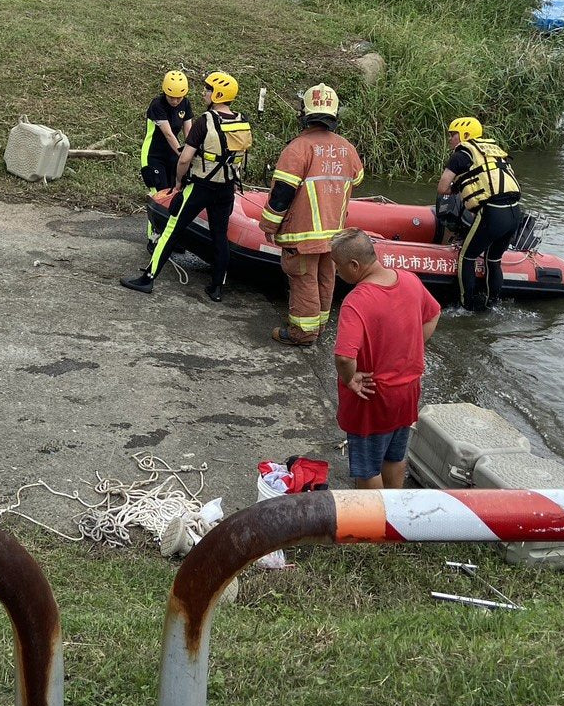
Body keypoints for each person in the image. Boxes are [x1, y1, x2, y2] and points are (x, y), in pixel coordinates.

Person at [121, 70, 251, 303]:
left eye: (208, 89)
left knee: (172, 229)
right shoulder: (242, 122)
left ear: (217, 94)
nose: (204, 92)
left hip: (200, 186)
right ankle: (216, 288)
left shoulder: (204, 121)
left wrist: (179, 182)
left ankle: (148, 278)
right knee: (220, 236)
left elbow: (184, 158)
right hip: (225, 189)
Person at [330, 228, 440, 489]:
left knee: (367, 469)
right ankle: (395, 516)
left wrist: (351, 380)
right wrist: (411, 347)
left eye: (337, 266)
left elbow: (345, 357)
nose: (336, 272)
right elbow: (433, 314)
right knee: (394, 455)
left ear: (354, 265)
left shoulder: (357, 301)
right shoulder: (410, 280)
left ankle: (375, 526)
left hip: (373, 397)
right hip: (407, 392)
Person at [259, 84, 365, 345]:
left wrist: (269, 225)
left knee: (304, 279)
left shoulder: (298, 148)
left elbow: (281, 194)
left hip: (302, 234)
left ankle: (303, 334)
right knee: (326, 277)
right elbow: (358, 179)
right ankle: (319, 325)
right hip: (334, 234)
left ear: (304, 113)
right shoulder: (346, 148)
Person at [437, 116, 523, 311]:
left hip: (492, 214)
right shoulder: (494, 152)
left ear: (465, 135)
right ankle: (493, 305)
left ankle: (465, 306)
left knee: (466, 257)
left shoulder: (462, 155)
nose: (450, 139)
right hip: (514, 212)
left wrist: (455, 190)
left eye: (453, 135)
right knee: (493, 260)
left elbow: (442, 187)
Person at [139, 70, 194, 246]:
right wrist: (183, 154)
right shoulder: (157, 105)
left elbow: (189, 132)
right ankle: (154, 238)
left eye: (179, 97)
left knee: (174, 193)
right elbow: (169, 134)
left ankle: (169, 238)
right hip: (153, 155)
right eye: (172, 97)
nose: (176, 101)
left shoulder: (185, 103)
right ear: (165, 92)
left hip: (173, 156)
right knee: (159, 195)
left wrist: (192, 150)